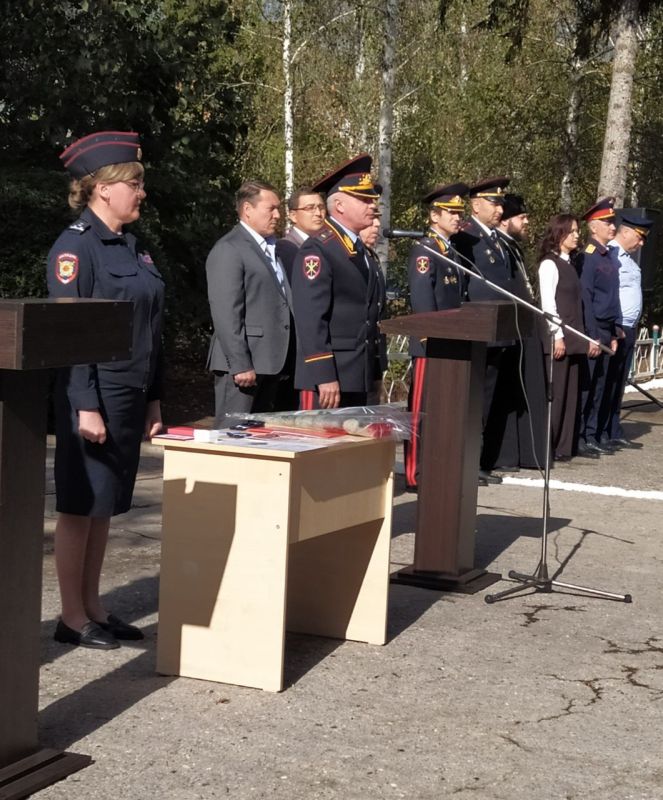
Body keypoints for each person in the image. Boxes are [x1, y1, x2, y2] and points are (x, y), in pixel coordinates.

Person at [47, 131, 164, 650]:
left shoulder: (134, 250)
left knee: (105, 506)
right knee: (79, 506)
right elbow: (69, 339)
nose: (141, 193)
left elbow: (151, 330)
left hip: (129, 393)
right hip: (93, 395)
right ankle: (71, 617)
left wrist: (154, 398)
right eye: (134, 184)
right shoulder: (75, 248)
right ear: (103, 189)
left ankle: (94, 606)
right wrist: (86, 406)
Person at [290, 153, 385, 409]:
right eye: (364, 199)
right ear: (340, 206)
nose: (372, 206)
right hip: (330, 379)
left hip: (357, 373)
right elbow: (311, 317)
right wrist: (323, 374)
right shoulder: (319, 250)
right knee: (320, 447)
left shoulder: (358, 249)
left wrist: (375, 369)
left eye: (372, 200)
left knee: (352, 449)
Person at [206, 180, 295, 425]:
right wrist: (240, 363)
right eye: (271, 208)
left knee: (258, 442)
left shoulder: (271, 249)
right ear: (247, 209)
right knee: (232, 436)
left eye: (279, 209)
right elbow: (226, 312)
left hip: (269, 363)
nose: (278, 215)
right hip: (244, 367)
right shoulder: (229, 249)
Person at [452, 176, 519, 485]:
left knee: (490, 401)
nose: (499, 208)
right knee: (474, 401)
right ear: (476, 204)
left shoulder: (497, 239)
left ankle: (482, 460)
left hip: (499, 330)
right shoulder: (466, 237)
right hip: (478, 331)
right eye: (493, 202)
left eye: (501, 204)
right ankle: (468, 461)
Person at [403, 182, 469, 491]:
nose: (458, 217)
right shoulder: (425, 251)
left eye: (460, 212)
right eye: (451, 212)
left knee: (444, 409)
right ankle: (416, 471)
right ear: (434, 215)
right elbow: (423, 303)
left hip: (450, 344)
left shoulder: (449, 250)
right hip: (431, 344)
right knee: (422, 409)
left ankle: (439, 464)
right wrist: (429, 340)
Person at [495, 193, 547, 471]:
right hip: (507, 326)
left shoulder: (512, 247)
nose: (527, 221)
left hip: (522, 325)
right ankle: (503, 455)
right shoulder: (498, 247)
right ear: (505, 221)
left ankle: (522, 452)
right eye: (522, 217)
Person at [601, 213, 653, 448]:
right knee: (607, 381)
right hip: (616, 327)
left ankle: (613, 429)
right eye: (640, 238)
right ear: (626, 232)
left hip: (629, 328)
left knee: (619, 382)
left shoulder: (629, 260)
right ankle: (599, 431)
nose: (641, 244)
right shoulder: (610, 255)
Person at [537, 214, 587, 461]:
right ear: (559, 234)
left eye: (578, 231)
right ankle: (550, 445)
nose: (577, 235)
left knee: (570, 395)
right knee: (556, 396)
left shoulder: (570, 263)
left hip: (574, 339)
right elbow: (548, 304)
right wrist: (556, 335)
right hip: (559, 340)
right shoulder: (549, 264)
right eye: (572, 231)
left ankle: (564, 447)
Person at [576, 197, 621, 456]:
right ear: (593, 227)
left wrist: (613, 331)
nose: (612, 226)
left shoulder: (609, 256)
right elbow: (587, 298)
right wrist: (592, 334)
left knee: (601, 386)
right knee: (589, 385)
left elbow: (611, 298)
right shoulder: (590, 257)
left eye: (612, 221)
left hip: (606, 327)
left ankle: (592, 433)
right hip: (593, 328)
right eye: (606, 222)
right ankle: (581, 435)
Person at [276, 186, 326, 281]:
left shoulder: (328, 243)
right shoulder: (286, 248)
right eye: (310, 208)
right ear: (293, 216)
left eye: (321, 207)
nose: (318, 213)